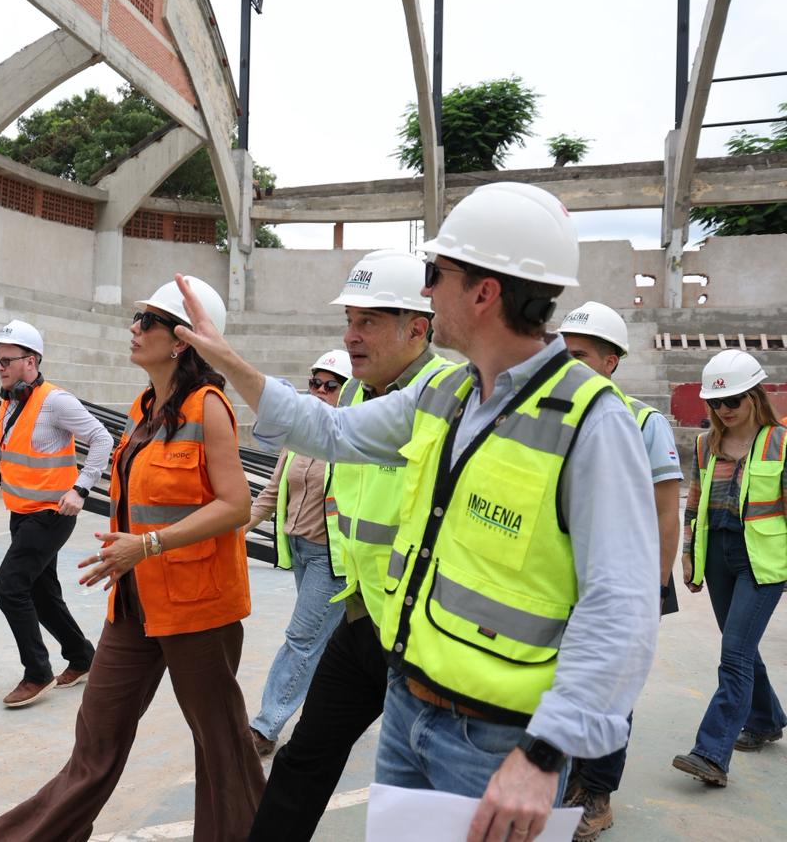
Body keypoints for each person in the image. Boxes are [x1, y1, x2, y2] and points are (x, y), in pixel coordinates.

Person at [173, 182, 659, 842]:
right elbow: (330, 431)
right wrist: (228, 361)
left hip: (496, 740)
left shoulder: (593, 422)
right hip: (409, 701)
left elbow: (622, 607)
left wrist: (546, 753)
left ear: (484, 292)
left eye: (437, 274)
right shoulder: (451, 394)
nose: (427, 291)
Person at [0, 277, 265, 842]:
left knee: (221, 745)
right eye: (137, 318)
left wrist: (148, 544)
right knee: (97, 734)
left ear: (182, 340)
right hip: (135, 602)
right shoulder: (143, 407)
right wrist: (132, 552)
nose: (134, 329)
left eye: (148, 321)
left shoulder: (209, 407)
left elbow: (237, 505)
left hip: (198, 607)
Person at [249, 251, 451, 842]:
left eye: (368, 322)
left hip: (422, 632)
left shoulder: (447, 396)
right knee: (305, 759)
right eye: (349, 320)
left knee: (418, 789)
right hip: (363, 615)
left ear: (417, 328)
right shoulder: (359, 395)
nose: (350, 335)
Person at [555, 301, 683, 840]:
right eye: (564, 354)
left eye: (581, 355)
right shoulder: (551, 416)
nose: (569, 364)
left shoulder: (642, 422)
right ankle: (568, 778)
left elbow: (666, 510)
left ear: (611, 362)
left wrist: (654, 587)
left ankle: (596, 793)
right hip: (560, 580)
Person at [0, 319, 113, 708]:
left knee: (9, 587)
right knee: (42, 593)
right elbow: (22, 451)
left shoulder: (55, 401)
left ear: (30, 361)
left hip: (51, 513)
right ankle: (82, 657)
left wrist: (81, 489)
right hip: (22, 512)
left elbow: (103, 439)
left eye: (6, 361)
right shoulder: (11, 401)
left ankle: (37, 672)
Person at [672, 349, 787, 787]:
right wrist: (688, 554)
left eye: (733, 400)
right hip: (718, 556)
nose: (724, 409)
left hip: (761, 561)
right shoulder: (706, 445)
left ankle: (711, 753)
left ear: (755, 396)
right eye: (715, 402)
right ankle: (766, 719)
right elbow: (694, 503)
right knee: (742, 648)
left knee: (734, 652)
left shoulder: (781, 442)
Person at [245, 349, 351, 758]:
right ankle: (333, 712)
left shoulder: (351, 441)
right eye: (315, 383)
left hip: (332, 557)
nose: (320, 391)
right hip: (302, 551)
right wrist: (238, 529)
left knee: (302, 639)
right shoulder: (299, 437)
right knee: (328, 638)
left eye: (331, 385)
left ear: (348, 391)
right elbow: (273, 492)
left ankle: (265, 727)